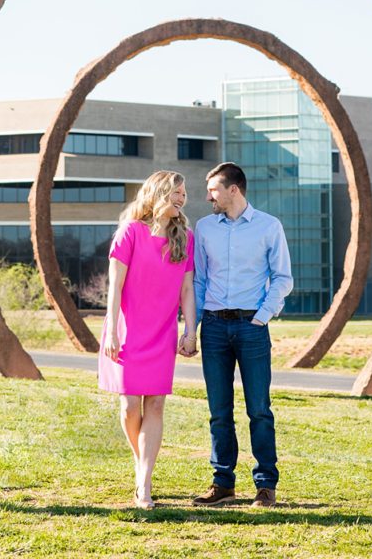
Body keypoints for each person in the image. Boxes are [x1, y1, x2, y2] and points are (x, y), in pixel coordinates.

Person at [191, 162, 293, 509]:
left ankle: (265, 485)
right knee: (219, 410)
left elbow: (283, 277)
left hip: (252, 328)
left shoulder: (269, 226)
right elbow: (199, 281)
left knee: (259, 409)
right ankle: (223, 484)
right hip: (215, 328)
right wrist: (192, 329)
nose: (209, 197)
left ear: (234, 189)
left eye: (214, 190)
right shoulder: (205, 228)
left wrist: (263, 317)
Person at [98, 170, 197, 509]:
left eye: (184, 193)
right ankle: (142, 464)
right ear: (158, 192)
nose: (182, 198)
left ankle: (145, 481)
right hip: (127, 330)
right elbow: (115, 287)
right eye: (176, 191)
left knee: (155, 404)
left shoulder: (186, 237)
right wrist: (111, 330)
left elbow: (187, 288)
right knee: (129, 407)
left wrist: (190, 328)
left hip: (162, 332)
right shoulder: (130, 232)